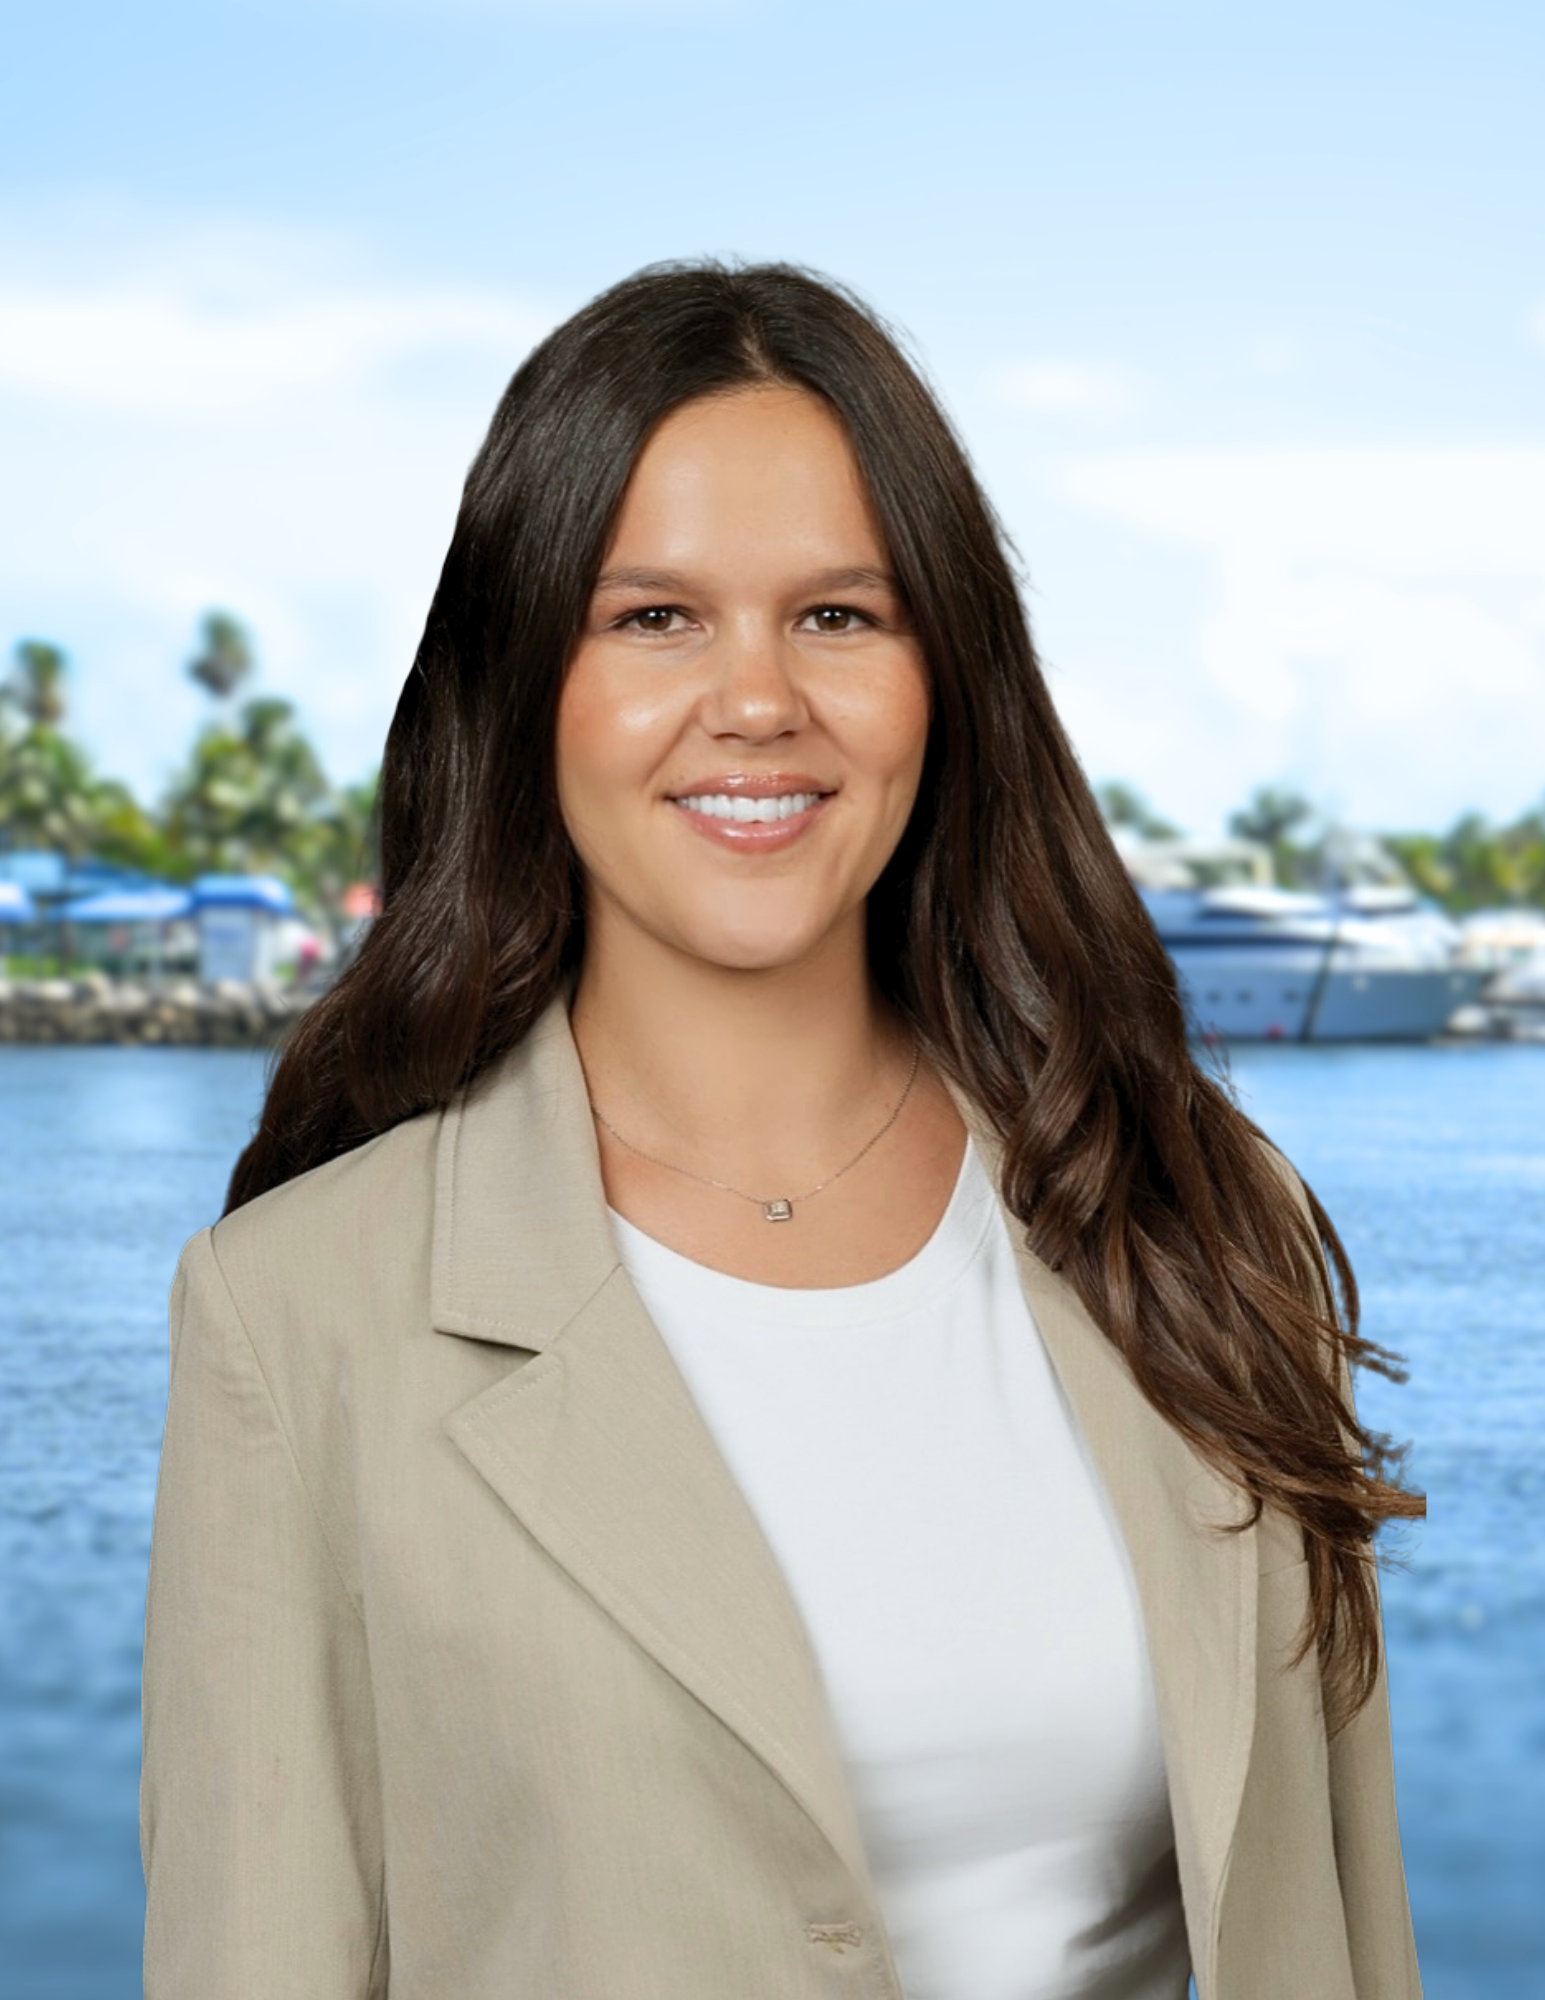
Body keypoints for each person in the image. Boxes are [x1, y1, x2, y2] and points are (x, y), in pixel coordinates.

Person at [139, 260, 1424, 2000]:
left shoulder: (1198, 1211)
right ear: (525, 687)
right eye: (653, 617)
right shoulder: (296, 1319)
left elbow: (1340, 1937)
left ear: (943, 676)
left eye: (840, 615)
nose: (758, 701)